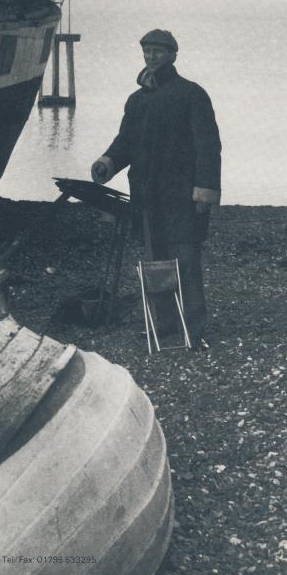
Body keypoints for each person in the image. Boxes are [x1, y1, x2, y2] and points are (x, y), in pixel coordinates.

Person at [91, 28, 221, 349]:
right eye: (147, 51)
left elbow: (208, 146)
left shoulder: (192, 94)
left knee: (186, 261)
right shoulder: (136, 101)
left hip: (182, 197)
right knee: (156, 262)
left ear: (173, 55)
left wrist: (205, 188)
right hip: (148, 197)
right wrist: (108, 162)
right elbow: (126, 142)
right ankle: (164, 326)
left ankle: (193, 328)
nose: (152, 57)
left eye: (158, 52)